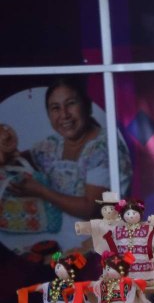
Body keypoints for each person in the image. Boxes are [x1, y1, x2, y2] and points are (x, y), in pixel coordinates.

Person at [9, 76, 131, 223]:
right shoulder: (53, 144)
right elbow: (17, 160)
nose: (64, 115)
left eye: (71, 104)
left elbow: (90, 209)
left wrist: (41, 191)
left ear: (87, 106)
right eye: (56, 108)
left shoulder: (103, 148)